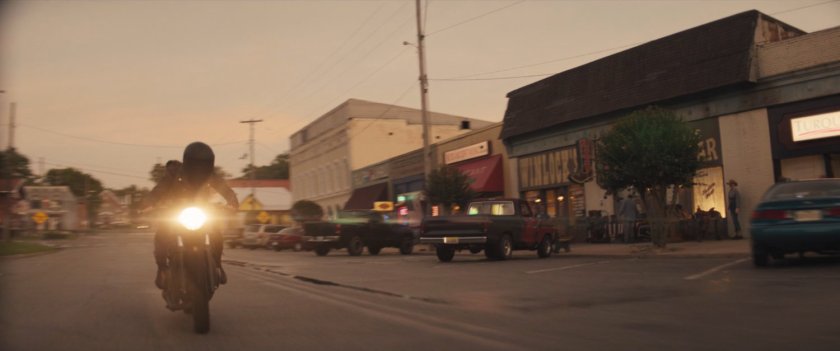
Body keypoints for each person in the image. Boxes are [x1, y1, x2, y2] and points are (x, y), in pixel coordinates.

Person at [144, 142, 239, 290]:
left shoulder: (210, 175)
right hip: (177, 212)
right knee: (162, 233)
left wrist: (232, 201)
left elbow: (224, 188)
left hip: (201, 212)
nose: (199, 168)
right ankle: (162, 269)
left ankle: (217, 264)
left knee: (216, 233)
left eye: (203, 164)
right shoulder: (175, 173)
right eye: (197, 163)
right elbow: (160, 188)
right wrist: (149, 203)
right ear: (188, 162)